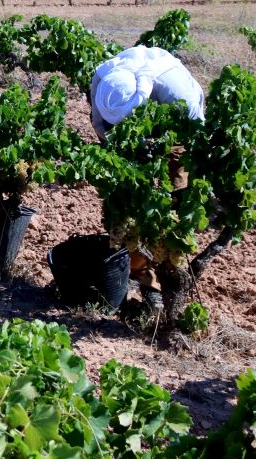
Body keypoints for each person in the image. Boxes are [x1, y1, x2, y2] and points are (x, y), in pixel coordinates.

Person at [89, 45, 205, 311]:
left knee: (171, 202)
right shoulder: (104, 81)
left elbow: (193, 138)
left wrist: (160, 156)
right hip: (136, 127)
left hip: (176, 132)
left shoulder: (180, 96)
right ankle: (132, 267)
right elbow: (100, 125)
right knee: (123, 202)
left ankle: (160, 279)